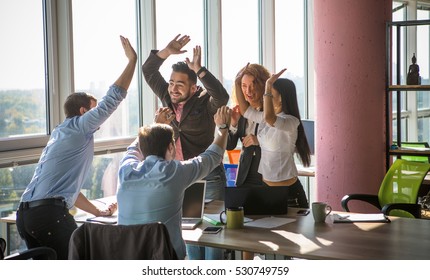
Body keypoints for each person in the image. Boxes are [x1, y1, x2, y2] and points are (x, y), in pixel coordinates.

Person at [16, 35, 137, 260]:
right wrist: (132, 62)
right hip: (48, 215)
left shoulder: (60, 134)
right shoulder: (81, 126)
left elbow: (65, 192)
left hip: (26, 215)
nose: (97, 117)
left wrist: (98, 212)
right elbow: (113, 98)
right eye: (93, 110)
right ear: (83, 112)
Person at [142, 34, 229, 259]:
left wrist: (200, 69)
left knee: (212, 235)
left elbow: (221, 97)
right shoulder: (166, 97)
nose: (173, 88)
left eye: (180, 85)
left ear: (193, 88)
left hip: (209, 175)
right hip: (181, 175)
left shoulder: (203, 101)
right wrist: (166, 51)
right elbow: (149, 70)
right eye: (171, 83)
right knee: (190, 233)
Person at [116, 106, 232, 260]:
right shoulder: (173, 172)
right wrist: (223, 128)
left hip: (126, 258)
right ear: (171, 147)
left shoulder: (125, 169)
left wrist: (154, 125)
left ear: (143, 150)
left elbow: (133, 148)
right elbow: (212, 157)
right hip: (164, 259)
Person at [235, 65, 311, 209]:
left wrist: (268, 85)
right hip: (266, 188)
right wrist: (237, 82)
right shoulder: (265, 118)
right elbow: (245, 110)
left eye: (269, 95)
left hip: (289, 194)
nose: (266, 98)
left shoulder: (290, 121)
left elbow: (270, 118)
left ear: (281, 98)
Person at [227, 64, 270, 187]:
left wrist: (258, 141)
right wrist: (233, 124)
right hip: (245, 176)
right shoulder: (239, 111)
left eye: (252, 86)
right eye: (244, 86)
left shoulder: (271, 111)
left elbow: (281, 142)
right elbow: (229, 146)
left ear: (263, 86)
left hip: (267, 175)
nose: (248, 91)